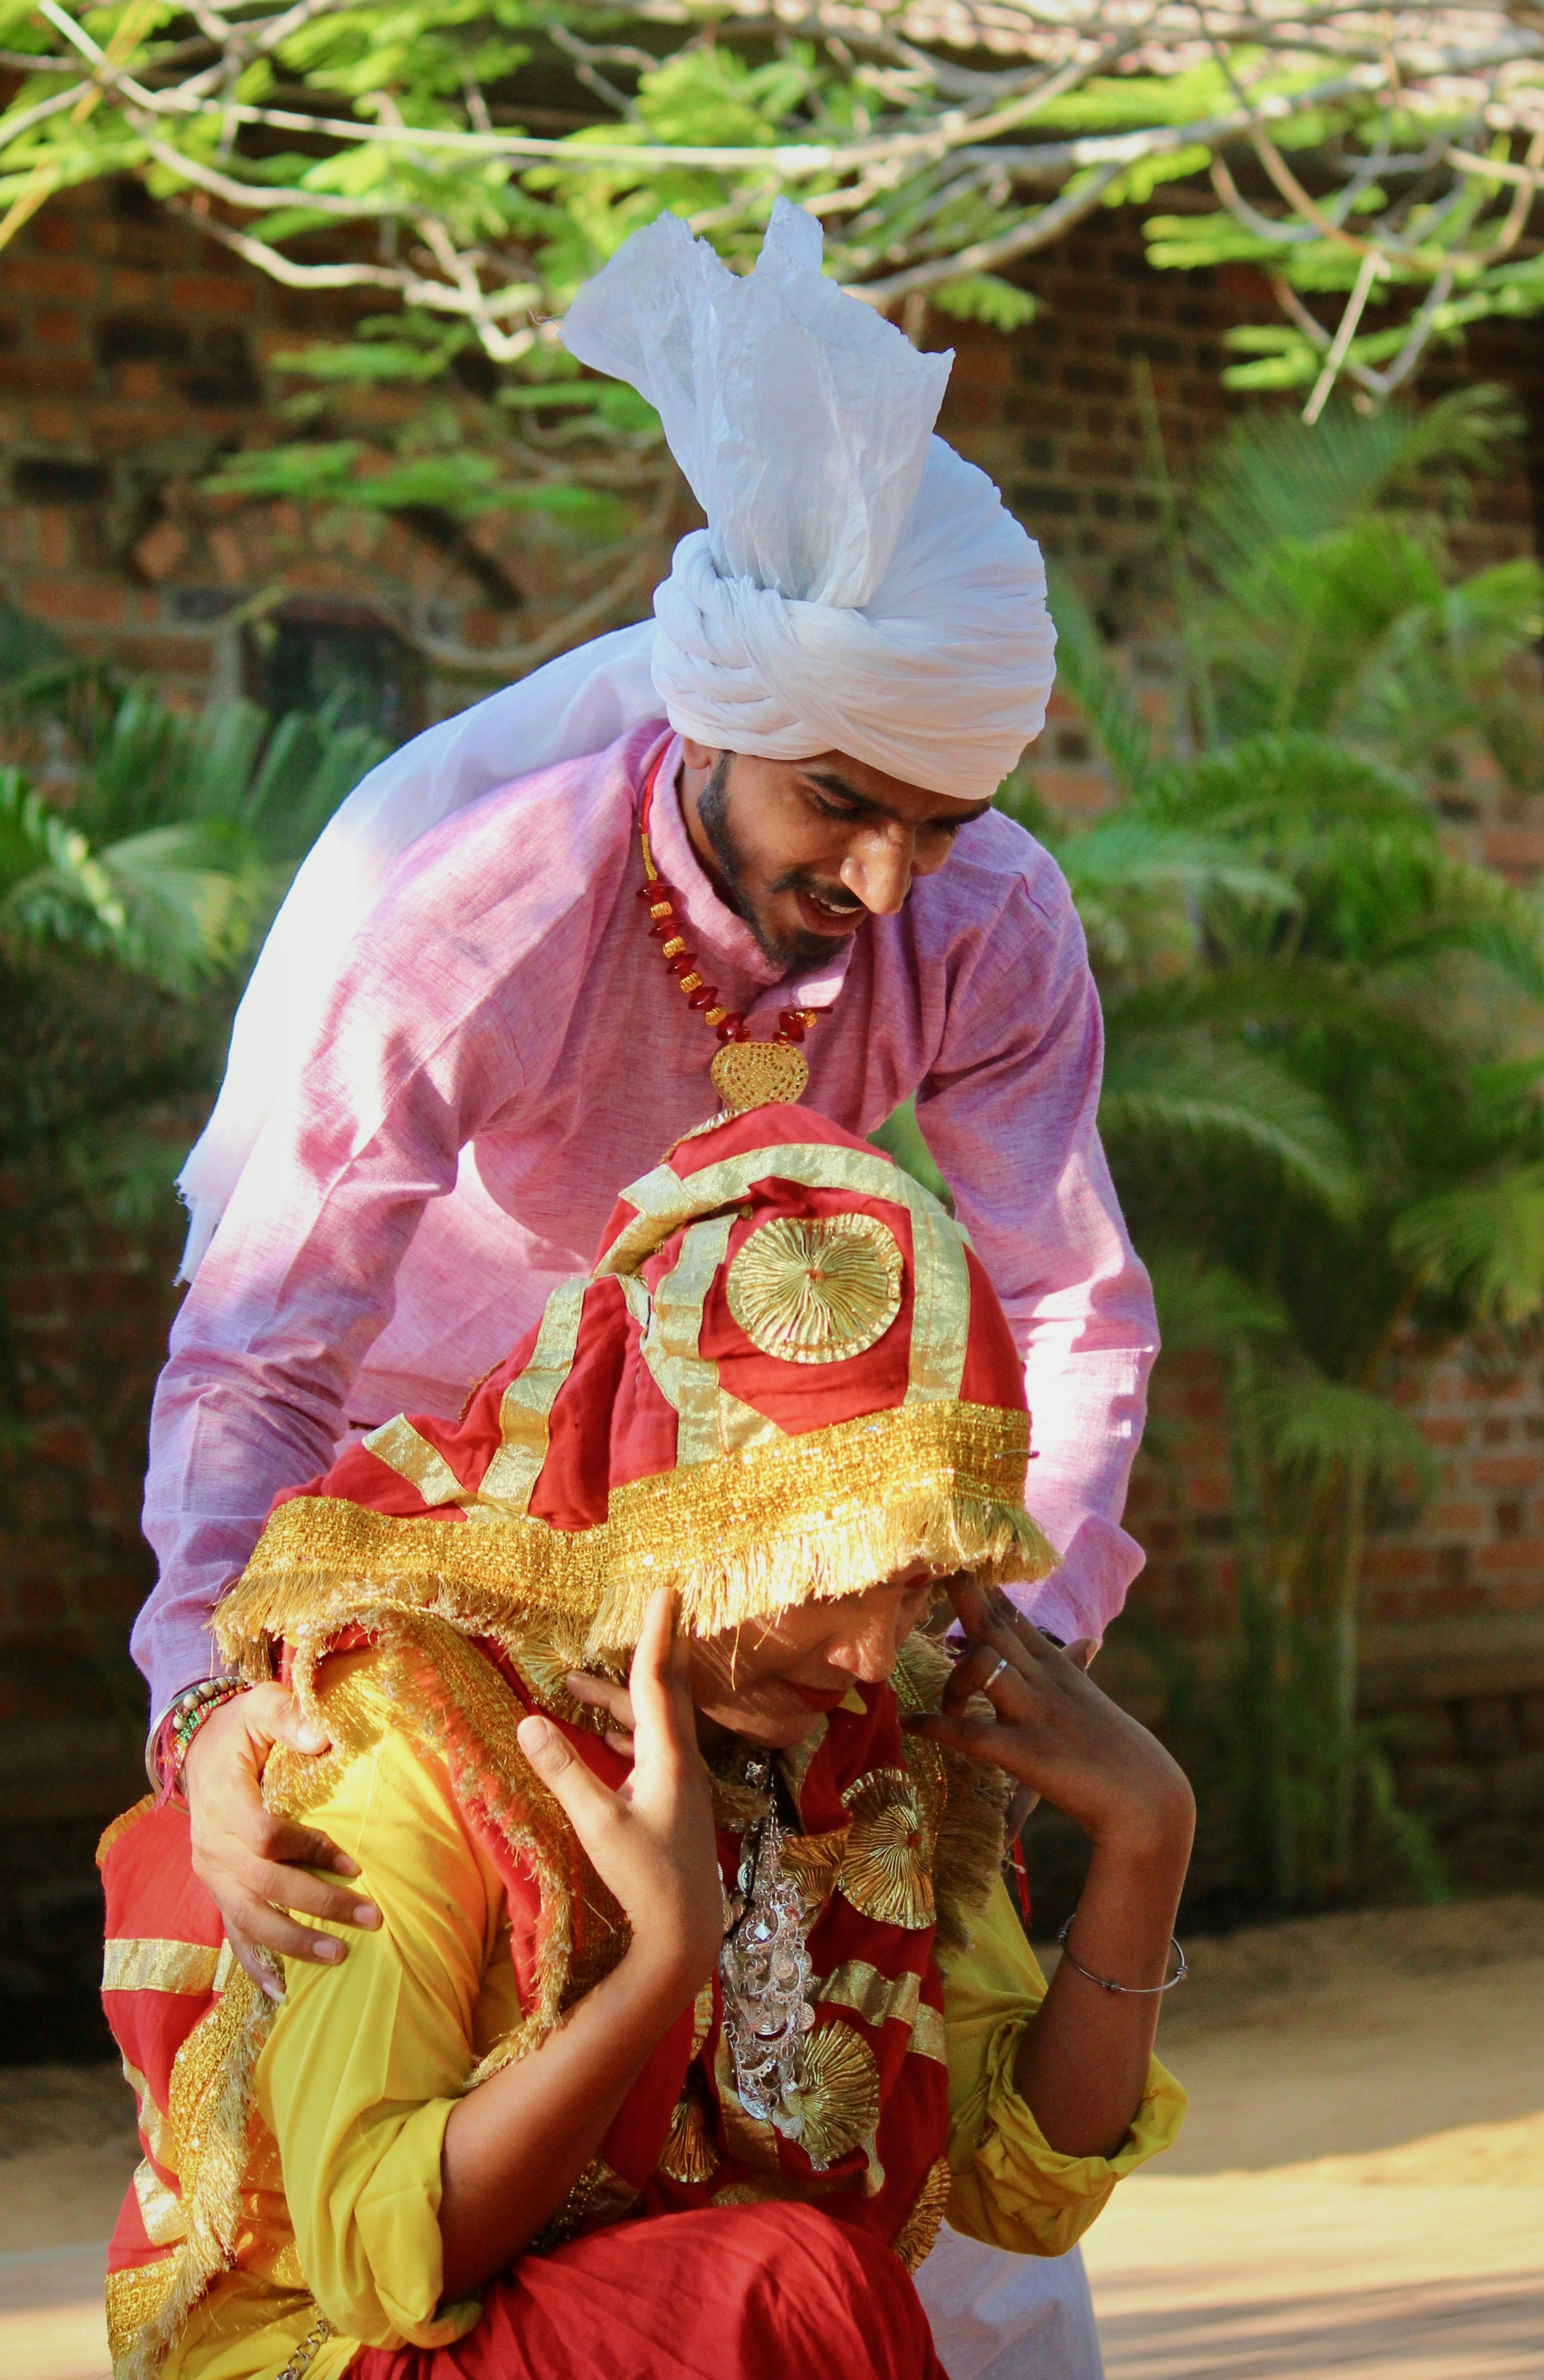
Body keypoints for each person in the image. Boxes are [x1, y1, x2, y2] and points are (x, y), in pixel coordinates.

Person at [133, 199, 1161, 2371]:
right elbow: (266, 1341)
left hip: (787, 1550)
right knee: (409, 2063)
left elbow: (1069, 1302)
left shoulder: (978, 920)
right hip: (434, 1543)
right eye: (841, 809)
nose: (882, 884)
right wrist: (225, 1705)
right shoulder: (477, 903)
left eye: (941, 824)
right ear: (720, 715)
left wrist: (1001, 1637)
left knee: (928, 2173)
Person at [102, 1106, 1191, 2380]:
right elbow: (379, 2265)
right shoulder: (417, 1718)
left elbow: (1015, 2185)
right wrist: (656, 1963)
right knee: (788, 2294)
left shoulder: (874, 1738)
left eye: (910, 1587)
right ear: (681, 1516)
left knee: (805, 2292)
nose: (864, 1656)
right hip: (350, 2347)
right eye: (824, 1576)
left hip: (650, 2330)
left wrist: (1145, 1847)